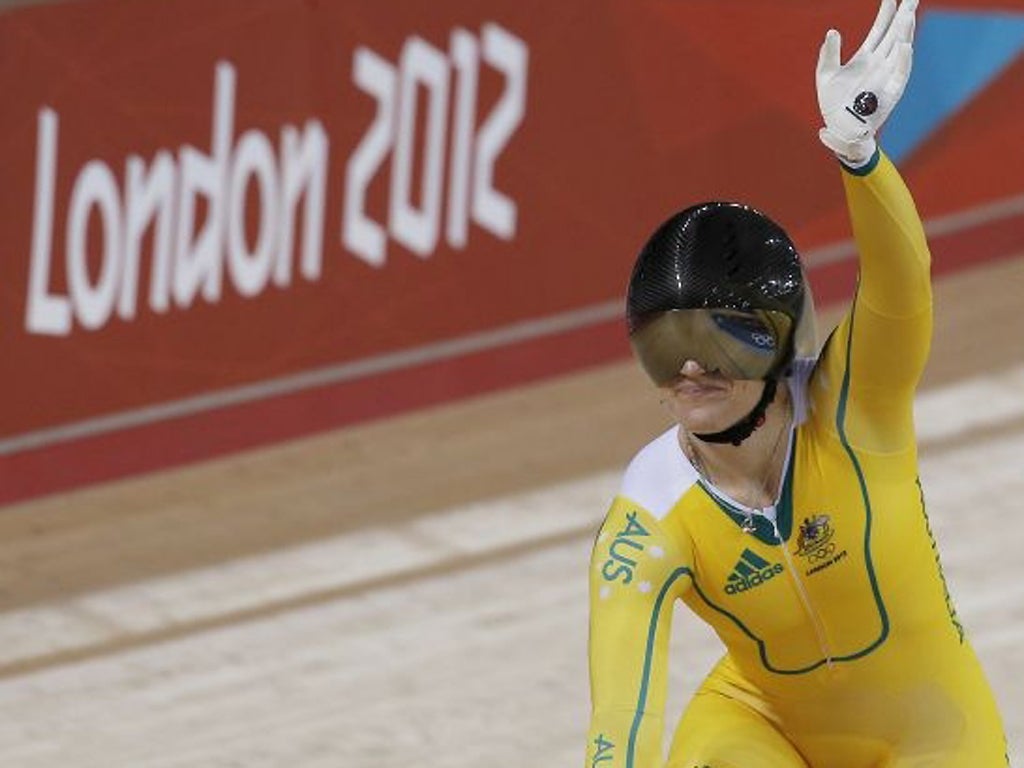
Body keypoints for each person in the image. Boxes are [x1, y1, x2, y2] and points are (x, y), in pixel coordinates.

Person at [584, 1, 1010, 766]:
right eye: (663, 345)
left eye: (715, 341)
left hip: (931, 730)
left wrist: (860, 159)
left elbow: (900, 287)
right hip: (759, 727)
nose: (687, 369)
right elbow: (622, 720)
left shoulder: (856, 406)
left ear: (779, 344)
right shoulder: (647, 518)